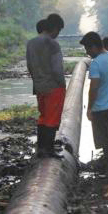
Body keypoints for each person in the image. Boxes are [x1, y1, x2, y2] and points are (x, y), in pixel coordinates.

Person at [80, 31, 108, 177]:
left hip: (101, 109)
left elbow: (94, 88)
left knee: (106, 141)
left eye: (87, 49)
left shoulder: (96, 63)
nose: (87, 53)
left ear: (94, 47)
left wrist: (89, 108)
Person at [25, 13, 66, 157]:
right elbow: (57, 69)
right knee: (52, 118)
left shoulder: (31, 43)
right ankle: (49, 150)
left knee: (43, 116)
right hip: (53, 86)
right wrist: (63, 85)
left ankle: (41, 148)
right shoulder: (52, 44)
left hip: (39, 86)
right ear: (54, 28)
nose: (57, 34)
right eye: (58, 31)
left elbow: (29, 66)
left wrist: (37, 81)